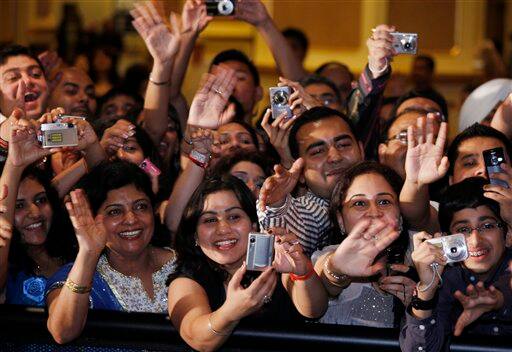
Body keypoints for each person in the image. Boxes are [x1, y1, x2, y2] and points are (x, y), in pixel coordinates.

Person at [167, 176, 327, 351]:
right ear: (195, 235)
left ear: (253, 226)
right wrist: (232, 311)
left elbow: (315, 311)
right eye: (210, 220)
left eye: (234, 217)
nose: (223, 229)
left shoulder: (278, 260)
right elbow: (199, 339)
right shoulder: (187, 279)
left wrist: (302, 271)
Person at [46, 161, 177, 344]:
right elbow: (63, 333)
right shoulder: (75, 276)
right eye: (115, 212)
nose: (131, 219)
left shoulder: (184, 266)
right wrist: (89, 252)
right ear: (92, 219)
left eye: (140, 207)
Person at [400, 177, 512, 351]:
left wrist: (499, 300)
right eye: (463, 230)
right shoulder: (445, 281)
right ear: (446, 238)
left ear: (507, 233)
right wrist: (426, 290)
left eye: (487, 226)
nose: (475, 241)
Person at [312, 161, 416, 327]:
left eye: (384, 202)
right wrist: (335, 269)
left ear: (400, 214)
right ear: (340, 220)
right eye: (359, 203)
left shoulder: (420, 251)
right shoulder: (329, 256)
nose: (374, 212)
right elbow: (322, 282)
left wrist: (424, 301)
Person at [258, 106, 364, 255]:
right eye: (318, 152)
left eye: (344, 145)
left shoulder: (392, 189)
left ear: (362, 150)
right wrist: (277, 204)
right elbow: (295, 225)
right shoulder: (314, 213)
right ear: (300, 170)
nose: (335, 157)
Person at [0, 109, 77, 306]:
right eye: (18, 206)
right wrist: (14, 165)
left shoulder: (77, 252)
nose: (34, 213)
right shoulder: (7, 269)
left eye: (41, 200)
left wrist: (92, 144)